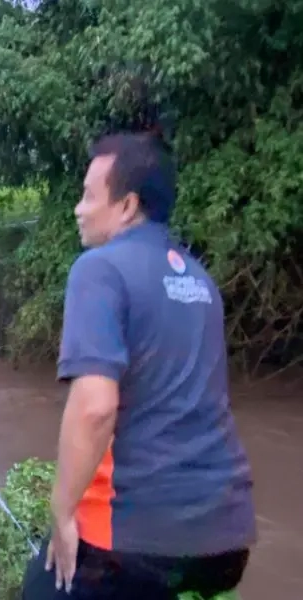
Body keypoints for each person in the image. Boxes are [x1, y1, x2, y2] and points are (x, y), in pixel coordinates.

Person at [22, 133, 255, 600]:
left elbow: (95, 408)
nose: (78, 210)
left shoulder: (99, 269)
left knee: (41, 586)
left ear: (127, 206)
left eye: (89, 196)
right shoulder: (200, 281)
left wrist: (62, 515)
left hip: (136, 540)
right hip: (228, 535)